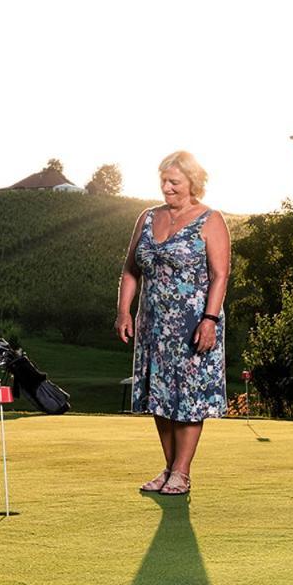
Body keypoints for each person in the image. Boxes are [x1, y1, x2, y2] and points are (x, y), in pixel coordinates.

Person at [115, 151, 229, 497]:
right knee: (160, 396)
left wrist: (209, 320)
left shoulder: (210, 220)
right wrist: (123, 312)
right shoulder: (147, 218)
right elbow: (131, 269)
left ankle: (182, 472)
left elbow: (220, 275)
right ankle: (169, 469)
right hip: (153, 325)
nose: (166, 188)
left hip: (194, 323)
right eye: (163, 181)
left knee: (189, 398)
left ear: (192, 183)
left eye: (174, 182)